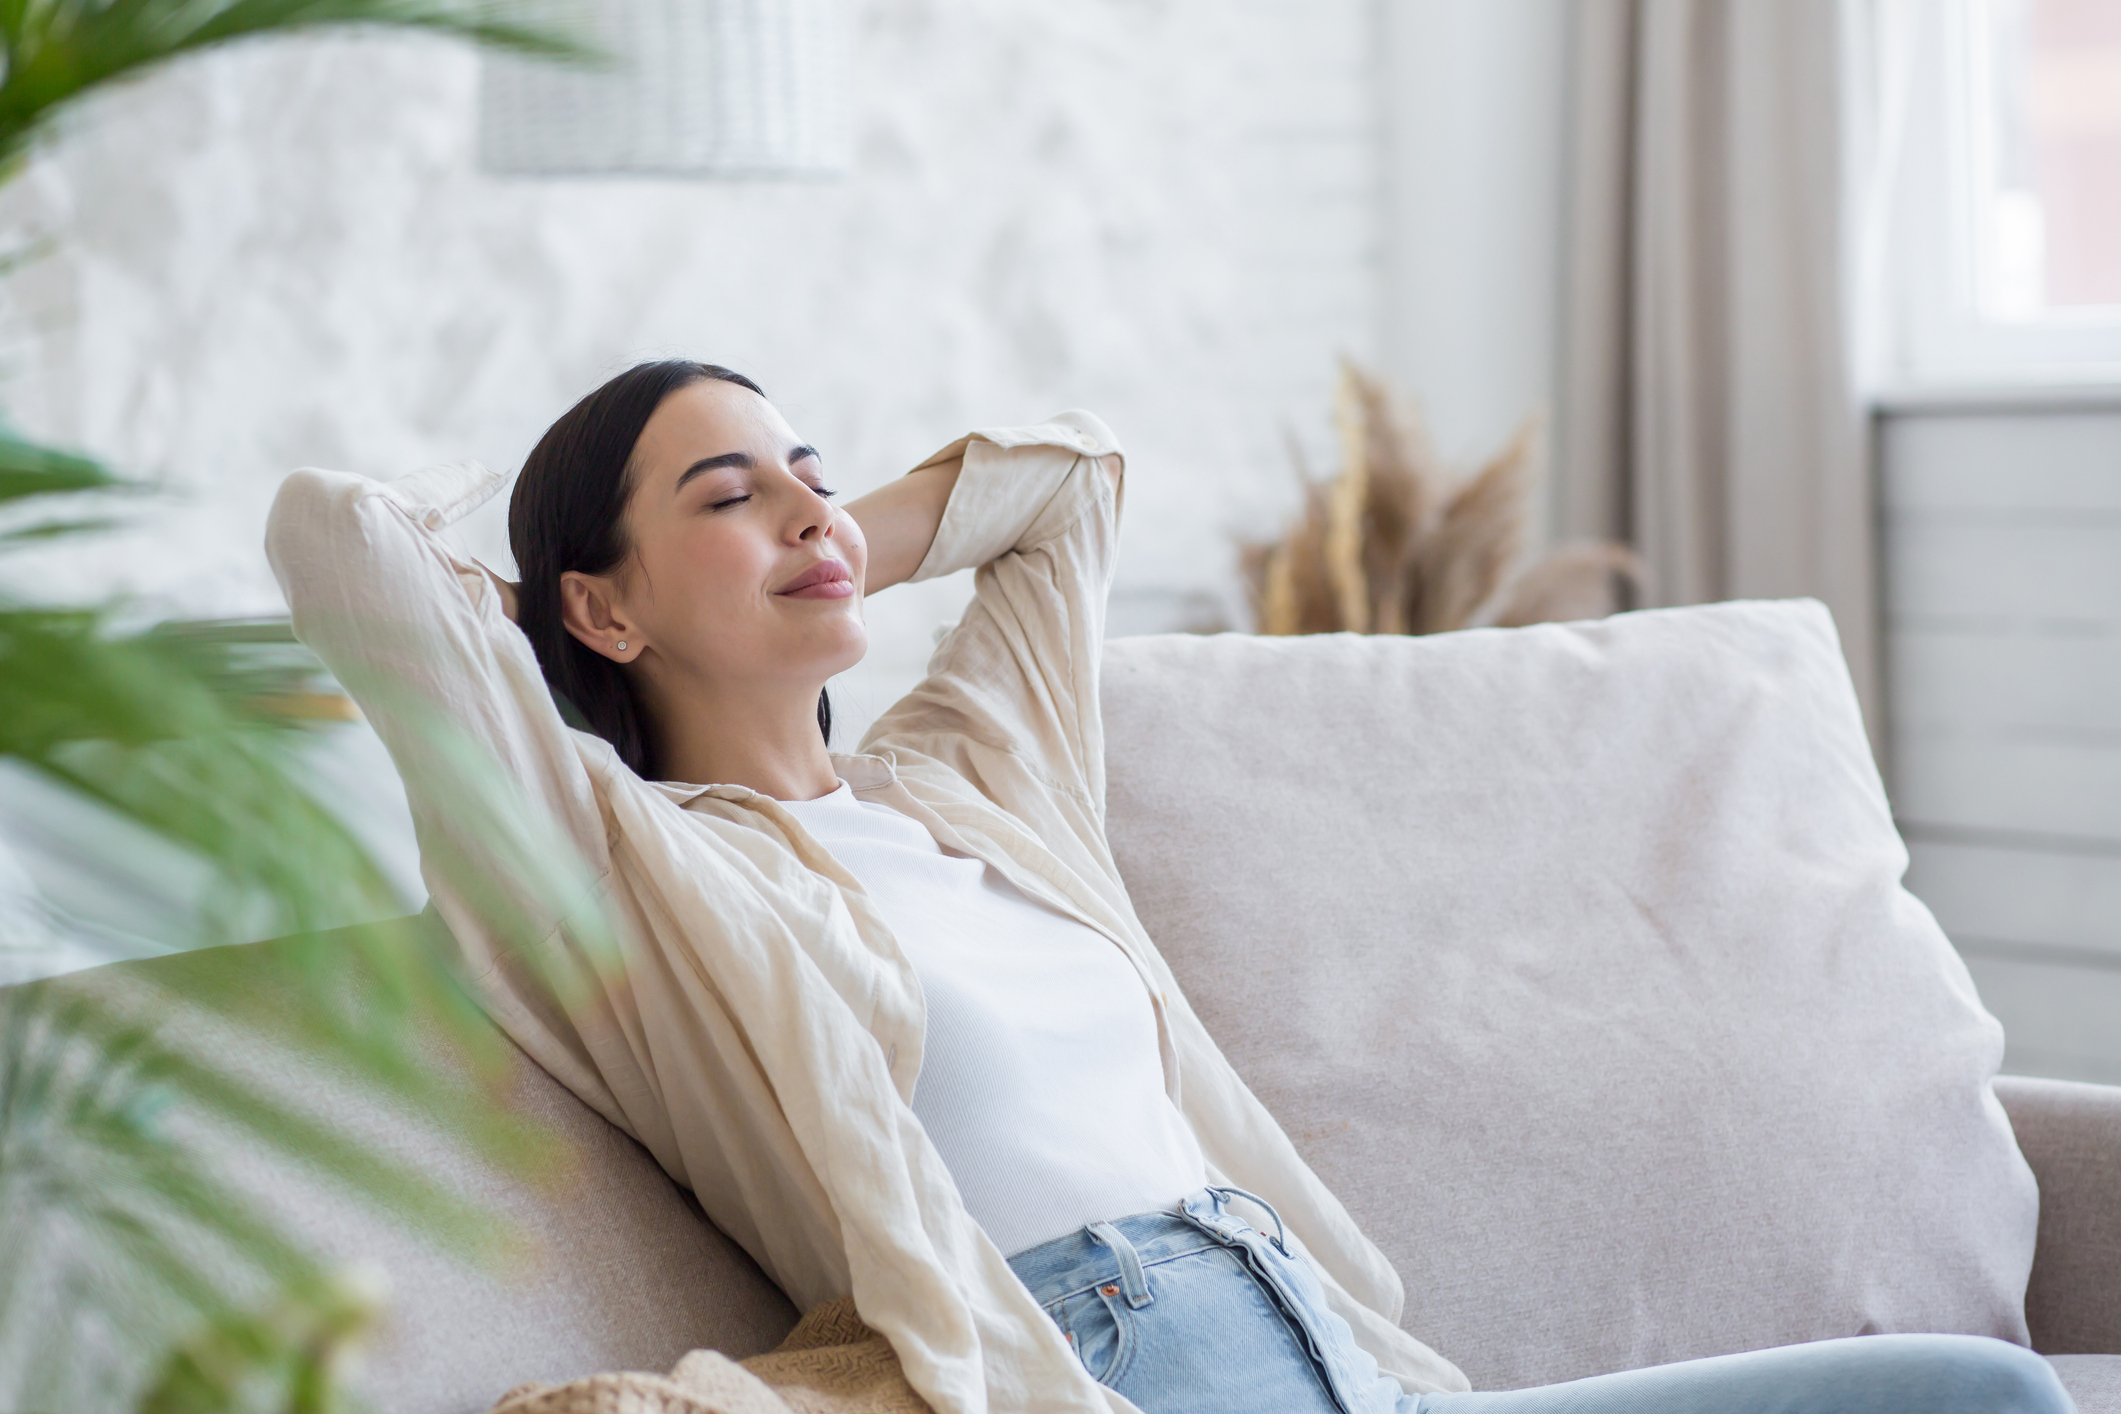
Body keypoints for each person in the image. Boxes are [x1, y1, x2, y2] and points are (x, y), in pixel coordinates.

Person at [266, 362, 2073, 1414]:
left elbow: (1068, 492)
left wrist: (817, 540)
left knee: (1967, 1394)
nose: (808, 509)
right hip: (1107, 1366)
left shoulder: (971, 774)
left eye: (810, 470)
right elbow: (341, 545)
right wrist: (574, 613)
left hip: (1340, 1345)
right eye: (727, 492)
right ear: (598, 604)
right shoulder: (630, 870)